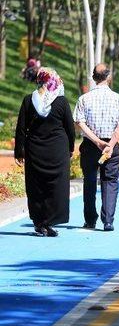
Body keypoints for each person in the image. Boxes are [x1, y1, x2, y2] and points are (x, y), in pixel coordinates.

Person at [14, 68, 75, 237]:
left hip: (34, 151)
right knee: (56, 186)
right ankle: (49, 221)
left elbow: (21, 128)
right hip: (57, 151)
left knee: (36, 187)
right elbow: (70, 128)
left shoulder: (28, 100)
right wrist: (70, 147)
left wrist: (19, 152)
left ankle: (39, 223)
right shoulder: (61, 102)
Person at [73, 64, 119, 232]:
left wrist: (97, 141)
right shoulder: (118, 99)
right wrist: (110, 145)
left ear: (93, 77)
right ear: (108, 77)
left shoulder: (84, 99)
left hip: (91, 146)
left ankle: (90, 220)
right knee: (110, 181)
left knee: (89, 181)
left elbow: (79, 122)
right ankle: (108, 221)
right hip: (111, 147)